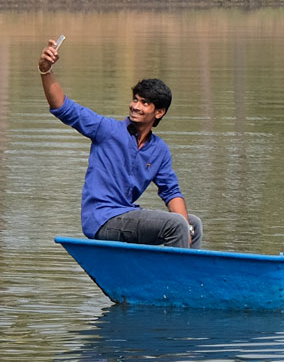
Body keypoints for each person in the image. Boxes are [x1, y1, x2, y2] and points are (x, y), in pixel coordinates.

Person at [39, 39, 202, 248]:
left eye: (144, 103)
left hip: (127, 213)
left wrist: (186, 228)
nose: (135, 106)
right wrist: (46, 71)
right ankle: (176, 278)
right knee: (177, 224)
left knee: (191, 223)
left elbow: (171, 192)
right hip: (102, 218)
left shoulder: (159, 150)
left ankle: (176, 274)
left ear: (159, 112)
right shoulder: (107, 130)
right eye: (135, 99)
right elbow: (64, 108)